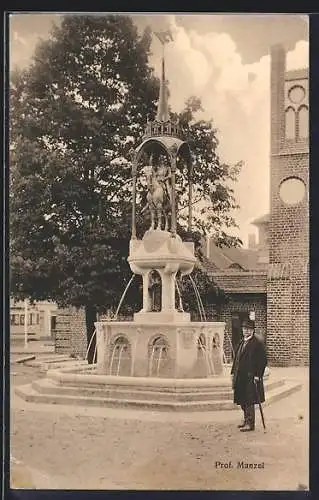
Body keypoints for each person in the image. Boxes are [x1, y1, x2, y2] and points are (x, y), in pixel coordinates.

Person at [231, 319, 267, 432]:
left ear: (252, 330)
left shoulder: (257, 343)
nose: (246, 331)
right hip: (241, 376)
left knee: (249, 400)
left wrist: (258, 375)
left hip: (251, 377)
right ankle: (246, 420)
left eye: (248, 329)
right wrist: (233, 372)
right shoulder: (242, 342)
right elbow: (237, 359)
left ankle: (250, 423)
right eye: (244, 329)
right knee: (242, 399)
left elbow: (263, 361)